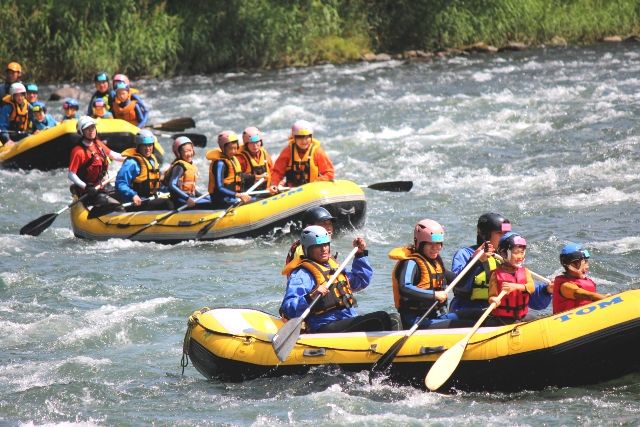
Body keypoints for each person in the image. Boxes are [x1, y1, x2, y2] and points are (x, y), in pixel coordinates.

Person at [279, 225, 393, 333]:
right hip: (324, 326)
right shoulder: (302, 274)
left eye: (326, 244)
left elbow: (361, 280)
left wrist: (360, 255)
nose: (324, 249)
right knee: (381, 318)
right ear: (307, 249)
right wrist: (310, 297)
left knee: (393, 318)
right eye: (318, 246)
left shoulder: (333, 267)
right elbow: (287, 308)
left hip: (346, 320)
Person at [389, 219, 460, 329]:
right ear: (419, 244)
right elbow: (404, 287)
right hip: (414, 321)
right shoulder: (411, 263)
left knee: (473, 315)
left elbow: (459, 279)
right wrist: (434, 295)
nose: (436, 248)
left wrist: (477, 259)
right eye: (431, 244)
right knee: (463, 324)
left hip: (434, 316)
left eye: (438, 244)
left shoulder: (435, 264)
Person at [68, 116, 124, 207]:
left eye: (93, 127)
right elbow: (71, 174)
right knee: (110, 203)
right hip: (88, 190)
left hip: (101, 185)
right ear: (81, 132)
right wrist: (86, 187)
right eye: (87, 129)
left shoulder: (97, 143)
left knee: (122, 194)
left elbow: (114, 155)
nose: (91, 131)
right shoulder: (78, 151)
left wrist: (131, 156)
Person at [269, 120, 334, 194]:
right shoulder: (288, 151)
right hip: (292, 191)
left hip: (312, 190)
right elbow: (278, 172)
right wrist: (274, 184)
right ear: (294, 138)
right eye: (300, 137)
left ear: (311, 137)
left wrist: (316, 183)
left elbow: (329, 173)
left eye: (307, 137)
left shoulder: (317, 152)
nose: (304, 141)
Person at [115, 130, 173, 211]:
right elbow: (120, 183)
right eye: (144, 146)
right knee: (167, 204)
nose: (148, 148)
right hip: (137, 201)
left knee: (174, 198)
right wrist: (133, 195)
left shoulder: (152, 160)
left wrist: (168, 189)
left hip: (150, 198)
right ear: (138, 146)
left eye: (150, 145)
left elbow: (155, 182)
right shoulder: (131, 163)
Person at [487, 232, 535, 325]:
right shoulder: (496, 275)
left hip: (522, 316)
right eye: (516, 253)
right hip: (502, 319)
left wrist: (516, 286)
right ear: (504, 254)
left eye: (522, 252)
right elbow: (492, 296)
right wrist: (493, 300)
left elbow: (531, 287)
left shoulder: (525, 271)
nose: (520, 256)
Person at [552, 243, 607, 314]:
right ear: (575, 264)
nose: (587, 265)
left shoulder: (582, 280)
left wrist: (605, 296)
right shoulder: (566, 286)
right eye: (585, 261)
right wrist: (608, 300)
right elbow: (588, 295)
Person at [282, 206, 336, 275]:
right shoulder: (303, 250)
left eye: (330, 224)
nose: (329, 228)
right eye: (323, 224)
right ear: (308, 227)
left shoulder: (318, 247)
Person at [206, 130, 253, 209]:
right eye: (230, 149)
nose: (233, 151)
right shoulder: (220, 163)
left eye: (235, 148)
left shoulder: (232, 159)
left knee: (254, 199)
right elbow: (219, 188)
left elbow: (239, 176)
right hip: (221, 200)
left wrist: (255, 177)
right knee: (252, 202)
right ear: (223, 148)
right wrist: (238, 195)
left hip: (231, 197)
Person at [163, 136, 211, 208]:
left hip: (189, 198)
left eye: (190, 150)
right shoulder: (179, 166)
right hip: (180, 200)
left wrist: (206, 198)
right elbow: (172, 185)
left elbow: (193, 190)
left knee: (211, 200)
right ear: (178, 153)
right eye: (186, 151)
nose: (189, 154)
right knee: (212, 203)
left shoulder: (190, 165)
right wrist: (187, 198)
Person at [238, 126, 272, 191]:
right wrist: (257, 177)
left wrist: (274, 184)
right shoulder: (241, 158)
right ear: (246, 144)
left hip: (266, 190)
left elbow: (272, 171)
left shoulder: (265, 154)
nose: (255, 146)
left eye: (257, 142)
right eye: (251, 143)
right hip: (249, 194)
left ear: (261, 142)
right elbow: (237, 176)